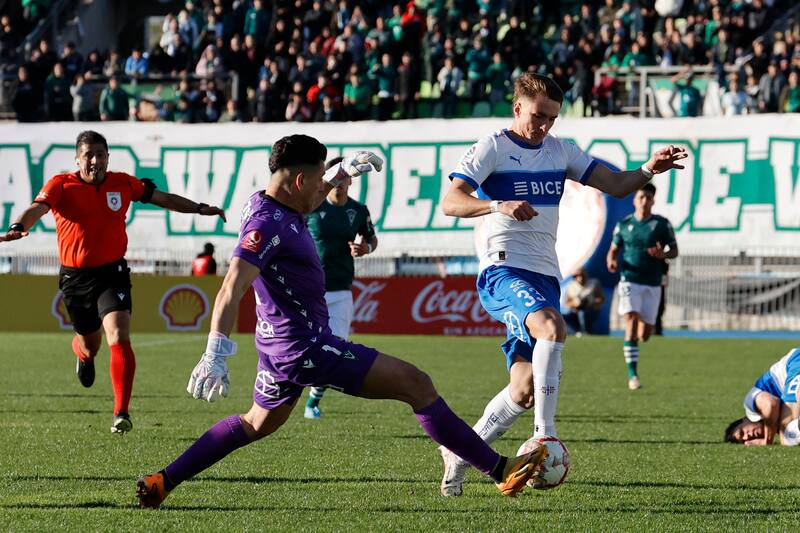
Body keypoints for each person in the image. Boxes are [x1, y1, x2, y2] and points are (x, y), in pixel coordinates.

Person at [135, 135, 548, 509]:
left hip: (280, 348)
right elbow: (230, 287)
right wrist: (214, 351)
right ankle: (500, 470)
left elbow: (307, 199)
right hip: (306, 347)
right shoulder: (265, 226)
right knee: (416, 384)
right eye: (319, 181)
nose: (325, 189)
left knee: (255, 423)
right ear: (298, 181)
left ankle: (162, 481)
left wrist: (342, 171)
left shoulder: (265, 201)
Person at [437, 72, 687, 497]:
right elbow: (451, 201)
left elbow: (616, 183)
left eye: (552, 118)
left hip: (545, 277)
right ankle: (546, 436)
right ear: (518, 108)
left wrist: (648, 168)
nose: (545, 125)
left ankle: (458, 456)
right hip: (503, 270)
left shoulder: (561, 151)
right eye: (538, 116)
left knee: (523, 389)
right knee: (552, 326)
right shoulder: (492, 147)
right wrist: (497, 204)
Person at [0, 130, 225, 433]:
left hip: (112, 273)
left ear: (108, 156)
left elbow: (163, 198)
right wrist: (17, 226)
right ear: (77, 159)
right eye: (88, 155)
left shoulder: (122, 183)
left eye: (100, 154)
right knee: (91, 344)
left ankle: (121, 411)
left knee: (118, 336)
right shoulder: (61, 184)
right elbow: (37, 208)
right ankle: (82, 353)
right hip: (75, 278)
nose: (95, 161)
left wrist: (198, 208)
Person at [303, 156, 378, 419]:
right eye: (336, 176)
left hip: (340, 288)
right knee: (299, 345)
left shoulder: (358, 211)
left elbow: (372, 239)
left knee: (334, 348)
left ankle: (313, 401)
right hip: (307, 288)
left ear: (350, 180)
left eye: (345, 177)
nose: (340, 182)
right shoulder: (312, 206)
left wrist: (365, 248)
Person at [607, 183, 678, 390]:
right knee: (631, 320)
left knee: (645, 333)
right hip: (629, 278)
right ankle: (633, 375)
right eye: (641, 197)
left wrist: (662, 254)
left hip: (653, 282)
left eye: (648, 198)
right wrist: (611, 260)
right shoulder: (624, 224)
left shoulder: (661, 224)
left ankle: (638, 341)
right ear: (634, 200)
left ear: (653, 201)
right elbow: (613, 250)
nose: (644, 201)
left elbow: (674, 251)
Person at [724, 347, 800, 446]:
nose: (748, 436)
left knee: (788, 430)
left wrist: (767, 441)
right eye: (744, 440)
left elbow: (771, 404)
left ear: (744, 420)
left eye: (742, 432)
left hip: (795, 362)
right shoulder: (774, 426)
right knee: (789, 438)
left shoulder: (750, 405)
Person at [563, 267, 604, 336]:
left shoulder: (594, 283)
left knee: (582, 313)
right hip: (575, 311)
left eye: (582, 275)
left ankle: (586, 332)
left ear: (586, 275)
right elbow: (567, 303)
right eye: (577, 276)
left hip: (590, 310)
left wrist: (591, 301)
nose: (580, 278)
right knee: (563, 317)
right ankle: (575, 332)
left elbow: (601, 298)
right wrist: (575, 303)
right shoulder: (571, 286)